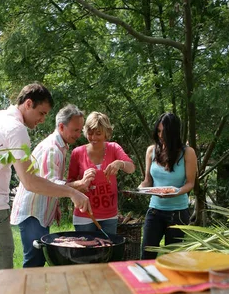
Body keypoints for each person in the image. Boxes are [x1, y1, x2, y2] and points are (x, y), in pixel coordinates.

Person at [0, 83, 91, 294]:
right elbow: (30, 181)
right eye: (41, 113)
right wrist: (72, 192)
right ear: (28, 104)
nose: (43, 120)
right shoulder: (17, 129)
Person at [11, 104, 95, 267]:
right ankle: (28, 292)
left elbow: (49, 182)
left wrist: (54, 205)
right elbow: (52, 183)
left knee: (39, 258)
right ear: (62, 127)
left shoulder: (60, 146)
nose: (79, 135)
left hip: (40, 213)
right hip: (32, 214)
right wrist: (80, 186)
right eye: (75, 130)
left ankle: (34, 291)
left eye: (80, 130)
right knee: (34, 260)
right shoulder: (52, 149)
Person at [140, 112, 197, 259]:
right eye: (158, 131)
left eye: (164, 132)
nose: (160, 135)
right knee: (147, 255)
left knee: (173, 258)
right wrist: (140, 189)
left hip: (178, 213)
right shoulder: (151, 151)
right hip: (154, 211)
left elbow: (190, 183)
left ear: (173, 133)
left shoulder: (188, 153)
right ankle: (148, 281)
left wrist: (175, 192)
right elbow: (147, 180)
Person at [68, 111, 135, 234]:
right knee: (86, 252)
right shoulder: (77, 153)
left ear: (106, 133)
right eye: (90, 133)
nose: (93, 138)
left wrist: (120, 163)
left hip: (109, 216)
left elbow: (131, 168)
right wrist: (82, 183)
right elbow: (68, 184)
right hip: (84, 215)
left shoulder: (114, 148)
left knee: (108, 251)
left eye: (98, 133)